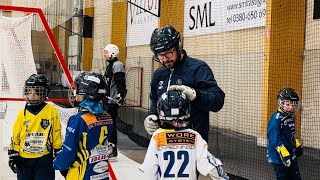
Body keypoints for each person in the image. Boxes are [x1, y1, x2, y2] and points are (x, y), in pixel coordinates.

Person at [144, 25, 225, 142]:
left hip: (192, 144)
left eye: (168, 53)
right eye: (160, 55)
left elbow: (218, 101)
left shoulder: (198, 68)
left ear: (178, 47)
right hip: (163, 145)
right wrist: (152, 116)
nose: (165, 59)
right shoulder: (159, 74)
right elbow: (154, 99)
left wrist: (196, 95)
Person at [139, 90, 229, 180]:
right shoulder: (194, 137)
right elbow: (211, 165)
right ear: (187, 110)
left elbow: (149, 170)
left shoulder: (157, 137)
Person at [53, 72, 114, 180]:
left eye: (78, 91)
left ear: (87, 93)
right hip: (101, 173)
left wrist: (58, 164)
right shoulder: (107, 117)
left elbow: (69, 149)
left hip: (81, 174)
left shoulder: (78, 120)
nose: (75, 94)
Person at [8, 74, 62, 180]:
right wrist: (13, 154)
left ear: (44, 93)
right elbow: (16, 135)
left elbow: (56, 132)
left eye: (36, 92)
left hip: (44, 159)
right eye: (29, 92)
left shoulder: (51, 111)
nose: (32, 95)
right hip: (24, 160)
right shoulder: (22, 113)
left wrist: (58, 150)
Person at [266, 88, 303, 180]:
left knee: (295, 176)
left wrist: (297, 144)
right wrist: (283, 152)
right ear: (281, 103)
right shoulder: (277, 119)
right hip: (279, 157)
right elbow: (274, 138)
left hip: (291, 155)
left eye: (293, 105)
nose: (291, 107)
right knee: (283, 177)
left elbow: (291, 134)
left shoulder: (290, 117)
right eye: (287, 104)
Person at [102, 43, 127, 161]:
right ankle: (109, 147)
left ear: (112, 53)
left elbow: (120, 83)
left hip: (112, 101)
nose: (104, 54)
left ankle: (113, 150)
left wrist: (120, 96)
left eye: (106, 52)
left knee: (111, 124)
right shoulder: (110, 66)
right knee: (107, 124)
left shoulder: (117, 65)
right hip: (107, 100)